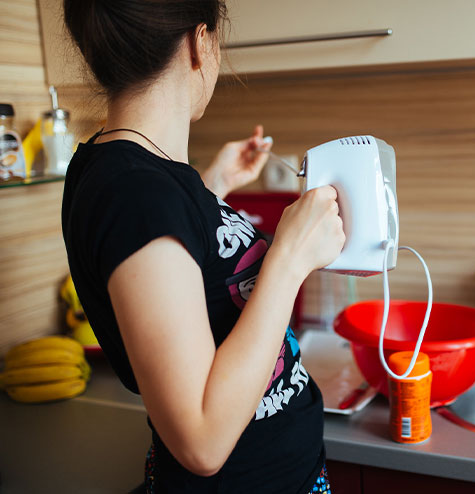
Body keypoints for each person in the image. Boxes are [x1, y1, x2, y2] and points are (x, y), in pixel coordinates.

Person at [60, 1, 345, 493]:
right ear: (200, 43)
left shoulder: (133, 175)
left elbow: (177, 255)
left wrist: (213, 186)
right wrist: (289, 259)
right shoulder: (134, 192)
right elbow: (201, 442)